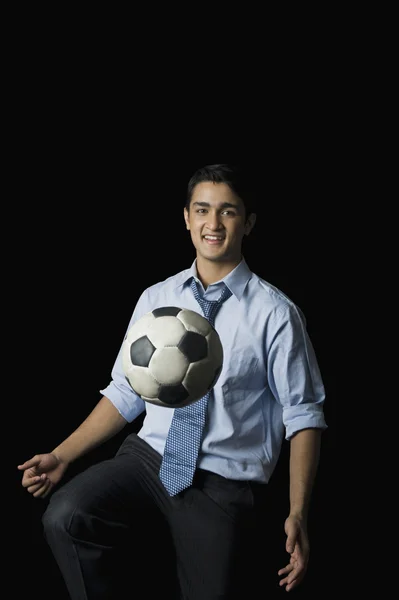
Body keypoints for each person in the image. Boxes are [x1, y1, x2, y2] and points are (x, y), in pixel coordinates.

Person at [18, 163, 327, 600]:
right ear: (186, 218)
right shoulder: (157, 298)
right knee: (65, 517)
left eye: (228, 211)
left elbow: (303, 415)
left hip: (222, 479)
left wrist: (298, 513)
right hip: (148, 460)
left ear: (249, 222)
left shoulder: (276, 314)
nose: (213, 224)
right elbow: (126, 391)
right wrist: (61, 455)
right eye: (202, 210)